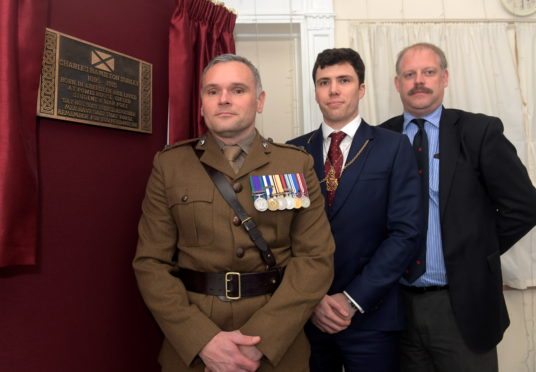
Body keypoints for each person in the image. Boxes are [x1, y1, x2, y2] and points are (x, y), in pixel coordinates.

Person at [133, 54, 335, 372]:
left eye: (238, 90)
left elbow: (315, 259)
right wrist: (202, 340)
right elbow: (150, 264)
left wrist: (261, 341)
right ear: (201, 103)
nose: (224, 99)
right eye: (212, 91)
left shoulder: (295, 165)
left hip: (277, 347)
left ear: (260, 100)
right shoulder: (170, 166)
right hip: (195, 347)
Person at [380, 42, 536, 372]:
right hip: (397, 308)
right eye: (409, 74)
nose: (418, 81)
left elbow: (524, 206)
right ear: (397, 83)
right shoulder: (380, 138)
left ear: (445, 78)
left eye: (428, 72)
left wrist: (477, 248)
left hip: (462, 306)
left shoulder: (479, 132)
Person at [287, 48, 421, 371]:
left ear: (361, 89)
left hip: (372, 315)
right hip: (307, 318)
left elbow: (405, 233)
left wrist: (351, 300)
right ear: (316, 91)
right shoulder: (292, 153)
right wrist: (314, 299)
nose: (333, 90)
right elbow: (284, 235)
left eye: (343, 80)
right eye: (324, 82)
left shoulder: (393, 147)